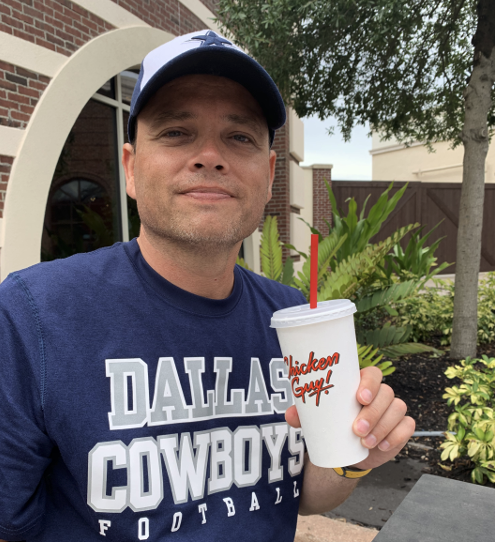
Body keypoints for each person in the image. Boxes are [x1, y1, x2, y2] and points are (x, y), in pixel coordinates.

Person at [0, 30, 414, 542]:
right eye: (176, 132)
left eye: (239, 137)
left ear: (266, 176)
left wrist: (355, 457)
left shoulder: (294, 323)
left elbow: (304, 494)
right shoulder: (33, 315)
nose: (210, 156)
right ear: (131, 168)